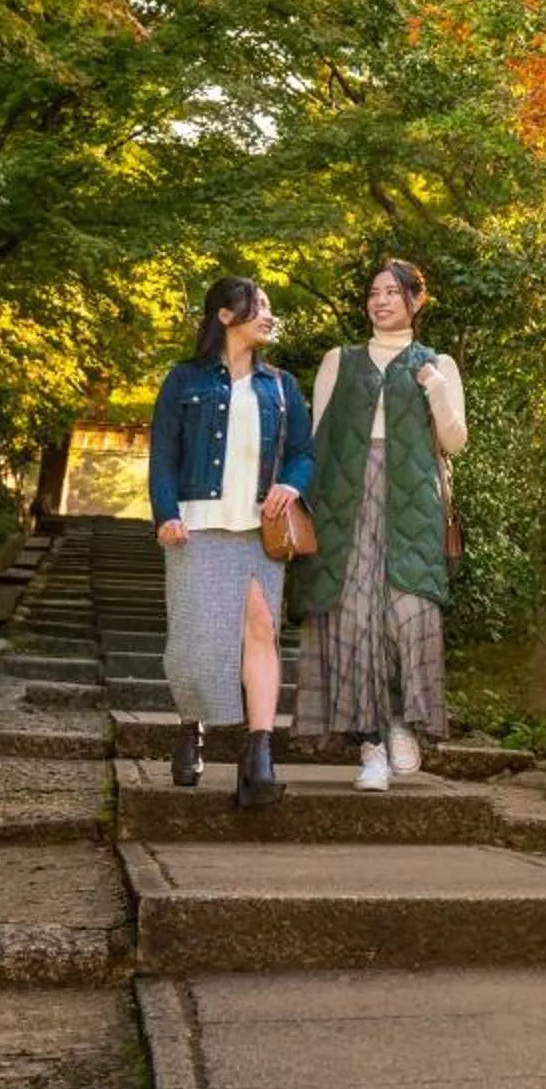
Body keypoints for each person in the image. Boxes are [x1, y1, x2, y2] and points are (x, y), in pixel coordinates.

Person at [293, 259, 467, 790]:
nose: (381, 301)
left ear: (416, 300)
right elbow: (315, 444)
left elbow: (456, 441)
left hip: (412, 504)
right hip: (346, 504)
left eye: (393, 292)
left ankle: (399, 722)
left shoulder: (438, 363)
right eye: (374, 292)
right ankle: (370, 747)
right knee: (353, 623)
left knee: (410, 616)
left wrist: (435, 386)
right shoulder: (337, 361)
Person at [145, 277, 313, 807]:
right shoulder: (184, 380)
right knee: (196, 642)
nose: (268, 315)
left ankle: (258, 754)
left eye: (269, 307)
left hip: (258, 531)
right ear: (224, 315)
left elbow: (304, 452)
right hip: (195, 525)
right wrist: (165, 513)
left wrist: (291, 483)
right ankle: (191, 727)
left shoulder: (281, 386)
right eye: (257, 306)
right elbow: (163, 455)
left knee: (261, 629)